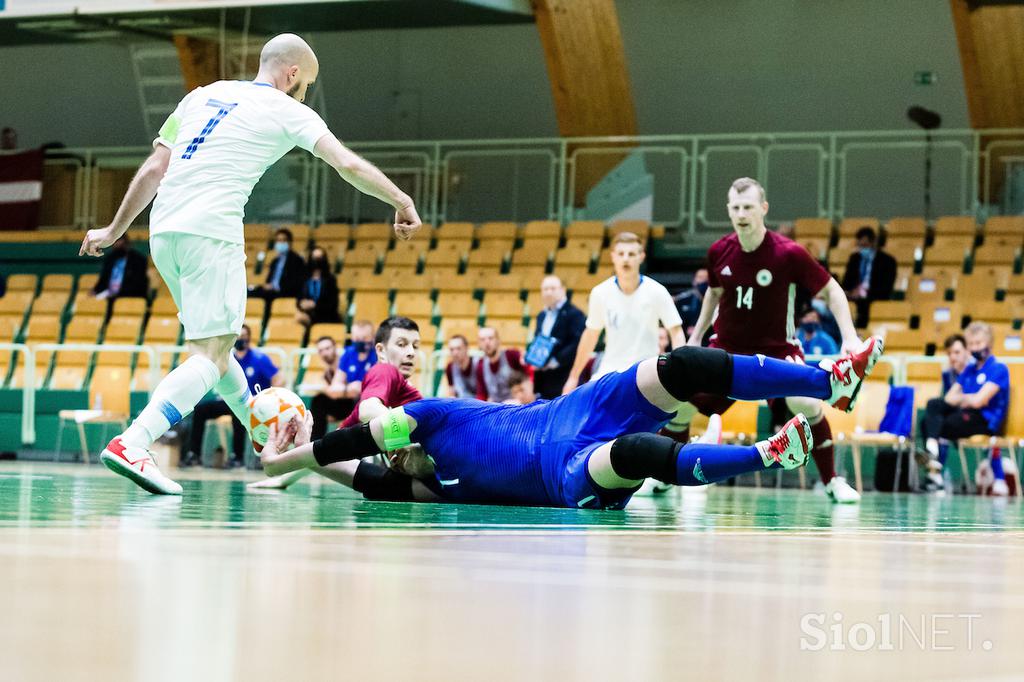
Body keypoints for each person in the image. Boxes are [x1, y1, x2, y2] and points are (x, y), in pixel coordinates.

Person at [79, 33, 422, 495]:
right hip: (211, 232)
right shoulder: (289, 109)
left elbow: (154, 170)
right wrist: (401, 200)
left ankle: (267, 444)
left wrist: (114, 230)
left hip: (164, 231)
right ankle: (134, 442)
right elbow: (347, 165)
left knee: (218, 355)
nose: (305, 93)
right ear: (293, 73)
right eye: (307, 83)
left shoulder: (201, 95)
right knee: (210, 354)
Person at [257, 338, 883, 508]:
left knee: (684, 365)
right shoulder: (429, 484)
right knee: (639, 452)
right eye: (391, 461)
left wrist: (289, 455)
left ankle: (829, 382)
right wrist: (286, 459)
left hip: (573, 408)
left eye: (391, 451)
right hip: (561, 472)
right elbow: (361, 476)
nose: (389, 459)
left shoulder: (427, 419)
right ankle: (769, 456)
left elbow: (352, 442)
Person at [680, 177, 866, 503]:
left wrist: (849, 337)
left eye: (748, 207)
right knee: (677, 402)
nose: (742, 213)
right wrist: (696, 336)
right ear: (728, 210)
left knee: (806, 404)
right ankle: (668, 478)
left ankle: (832, 480)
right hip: (726, 348)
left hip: (778, 349)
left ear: (763, 209)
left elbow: (833, 290)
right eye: (736, 207)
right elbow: (714, 292)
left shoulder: (788, 253)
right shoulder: (718, 251)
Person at [250, 315, 422, 490]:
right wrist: (284, 479)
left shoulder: (407, 392)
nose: (411, 352)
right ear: (381, 351)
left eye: (415, 346)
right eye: (402, 344)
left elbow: (325, 451)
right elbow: (365, 412)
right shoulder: (384, 371)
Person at [563, 232, 685, 394]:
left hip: (646, 372)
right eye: (621, 254)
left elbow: (676, 332)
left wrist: (679, 370)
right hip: (609, 371)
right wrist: (573, 377)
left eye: (631, 254)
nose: (626, 259)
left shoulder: (657, 291)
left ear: (641, 257)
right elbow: (591, 335)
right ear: (613, 256)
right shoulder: (600, 293)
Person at [920, 322, 1010, 494]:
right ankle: (932, 447)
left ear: (989, 344)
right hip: (966, 414)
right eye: (972, 344)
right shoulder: (970, 369)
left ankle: (934, 462)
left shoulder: (998, 368)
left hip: (985, 420)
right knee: (933, 406)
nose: (975, 348)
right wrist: (968, 399)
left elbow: (978, 402)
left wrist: (964, 399)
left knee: (937, 423)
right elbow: (948, 398)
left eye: (979, 343)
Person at [182, 324, 284, 468]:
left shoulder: (259, 358)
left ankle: (237, 457)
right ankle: (194, 454)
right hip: (229, 399)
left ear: (249, 339)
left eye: (244, 337)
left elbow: (278, 378)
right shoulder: (228, 358)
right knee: (200, 409)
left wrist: (267, 396)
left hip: (252, 402)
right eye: (239, 337)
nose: (241, 340)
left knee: (238, 412)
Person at [308, 323, 377, 440]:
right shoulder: (348, 353)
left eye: (364, 338)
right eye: (356, 338)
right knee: (319, 400)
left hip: (370, 401)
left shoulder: (377, 354)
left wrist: (356, 389)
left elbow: (371, 386)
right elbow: (335, 388)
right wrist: (349, 389)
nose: (360, 341)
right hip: (349, 401)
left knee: (361, 400)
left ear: (372, 337)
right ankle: (315, 445)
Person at [528, 275, 586, 399]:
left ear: (563, 290)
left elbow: (577, 343)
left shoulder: (575, 314)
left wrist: (555, 361)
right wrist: (532, 357)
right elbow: (538, 340)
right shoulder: (541, 316)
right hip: (543, 379)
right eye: (545, 289)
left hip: (565, 376)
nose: (549, 292)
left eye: (553, 288)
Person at [841, 226, 897, 328]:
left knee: (864, 305)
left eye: (865, 245)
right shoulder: (854, 258)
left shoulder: (888, 261)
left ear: (873, 243)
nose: (862, 249)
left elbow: (887, 287)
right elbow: (846, 282)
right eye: (860, 246)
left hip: (875, 297)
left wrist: (865, 292)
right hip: (855, 297)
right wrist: (852, 291)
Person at [250, 228, 307, 301]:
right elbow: (269, 280)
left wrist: (277, 287)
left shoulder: (297, 260)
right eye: (278, 240)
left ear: (289, 242)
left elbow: (297, 283)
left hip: (285, 292)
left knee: (265, 295)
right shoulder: (274, 261)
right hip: (271, 292)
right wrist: (268, 286)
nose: (281, 243)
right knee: (251, 292)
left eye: (283, 240)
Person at [476, 326, 528, 403]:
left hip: (516, 406)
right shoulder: (480, 365)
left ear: (498, 341)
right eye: (483, 340)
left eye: (490, 338)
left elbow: (529, 376)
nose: (487, 342)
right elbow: (481, 393)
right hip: (496, 408)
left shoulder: (512, 355)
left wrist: (523, 397)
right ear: (479, 344)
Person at [295, 246, 341, 327]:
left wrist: (315, 305)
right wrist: (302, 303)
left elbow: (333, 303)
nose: (316, 261)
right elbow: (299, 298)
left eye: (319, 258)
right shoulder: (304, 279)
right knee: (299, 318)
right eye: (314, 258)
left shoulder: (330, 280)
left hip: (326, 315)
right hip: (308, 314)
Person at [92, 235, 149, 300]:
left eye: (119, 240)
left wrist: (119, 293)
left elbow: (138, 283)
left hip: (130, 295)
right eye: (115, 241)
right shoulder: (110, 259)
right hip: (108, 294)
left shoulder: (138, 260)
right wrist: (95, 291)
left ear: (126, 242)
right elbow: (103, 279)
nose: (117, 244)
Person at [674, 268, 709, 337]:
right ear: (694, 280)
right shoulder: (683, 299)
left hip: (706, 337)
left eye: (706, 278)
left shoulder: (717, 301)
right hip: (686, 336)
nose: (703, 281)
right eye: (700, 277)